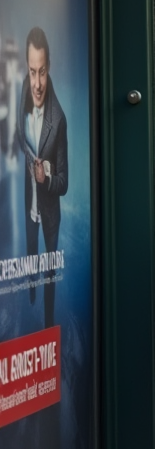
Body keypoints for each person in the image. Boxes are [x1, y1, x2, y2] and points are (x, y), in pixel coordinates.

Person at [14, 27, 68, 329]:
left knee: (48, 272)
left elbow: (64, 183)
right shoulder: (24, 88)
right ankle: (30, 294)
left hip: (49, 215)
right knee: (30, 255)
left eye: (42, 72)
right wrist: (24, 152)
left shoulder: (58, 121)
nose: (36, 83)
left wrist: (44, 179)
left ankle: (47, 325)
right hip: (29, 206)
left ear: (49, 68)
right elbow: (19, 132)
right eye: (32, 72)